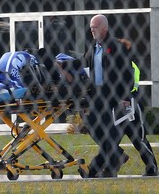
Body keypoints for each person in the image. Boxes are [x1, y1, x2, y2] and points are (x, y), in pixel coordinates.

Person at [58, 14, 137, 177]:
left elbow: (128, 74)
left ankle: (106, 169)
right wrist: (64, 64)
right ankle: (116, 157)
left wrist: (125, 97)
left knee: (110, 134)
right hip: (98, 97)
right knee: (94, 128)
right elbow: (82, 61)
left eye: (95, 27)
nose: (92, 30)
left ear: (104, 28)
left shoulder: (116, 46)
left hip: (114, 97)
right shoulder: (94, 47)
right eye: (91, 27)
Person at [116, 39, 158, 177]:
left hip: (132, 107)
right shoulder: (114, 65)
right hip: (117, 109)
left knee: (138, 139)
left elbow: (134, 85)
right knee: (111, 140)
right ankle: (106, 167)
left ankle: (152, 168)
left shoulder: (130, 66)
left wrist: (127, 99)